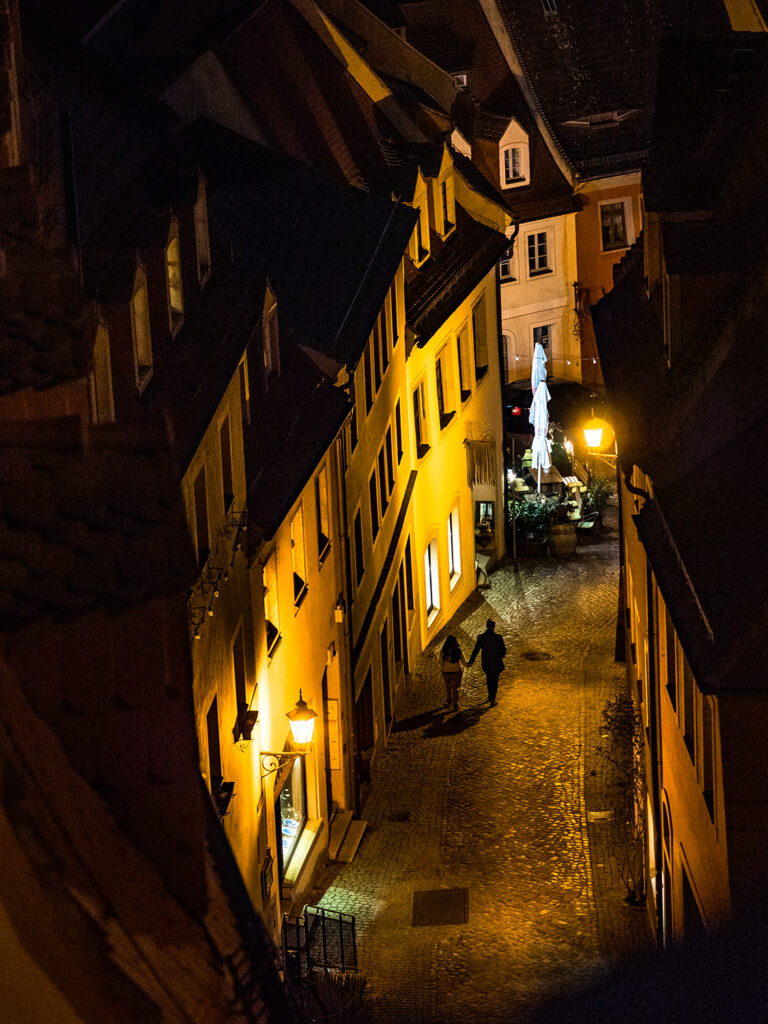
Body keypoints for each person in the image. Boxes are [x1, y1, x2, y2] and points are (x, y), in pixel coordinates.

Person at [467, 619, 506, 706]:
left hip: (486, 662)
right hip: (496, 662)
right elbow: (503, 650)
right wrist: (500, 656)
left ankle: (489, 695)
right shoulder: (498, 638)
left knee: (488, 678)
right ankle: (493, 699)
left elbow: (476, 650)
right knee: (495, 680)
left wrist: (471, 661)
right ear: (494, 626)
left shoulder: (481, 637)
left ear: (486, 626)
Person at [439, 634, 468, 711]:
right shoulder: (458, 650)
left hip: (446, 671)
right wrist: (468, 664)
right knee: (456, 688)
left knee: (448, 687)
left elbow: (440, 662)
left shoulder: (444, 651)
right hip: (456, 671)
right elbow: (464, 661)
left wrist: (444, 666)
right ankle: (455, 703)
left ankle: (449, 699)